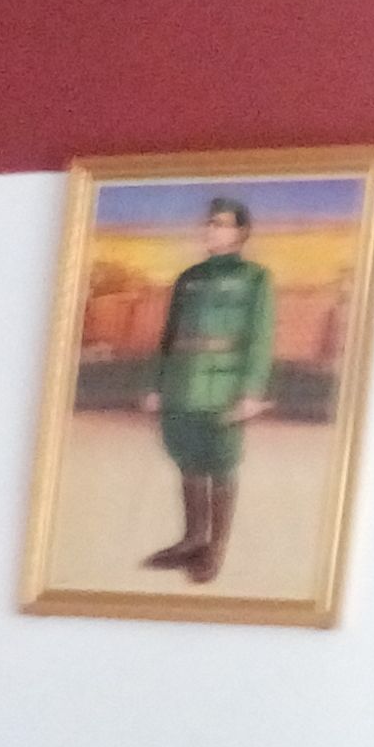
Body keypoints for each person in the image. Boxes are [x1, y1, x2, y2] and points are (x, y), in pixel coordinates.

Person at [138, 197, 277, 586]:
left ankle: (215, 548)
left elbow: (260, 337)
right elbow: (168, 337)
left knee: (221, 462)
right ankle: (192, 540)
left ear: (241, 232)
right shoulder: (189, 278)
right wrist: (157, 384)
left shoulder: (255, 278)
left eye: (221, 224)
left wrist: (251, 391)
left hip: (224, 385)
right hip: (182, 383)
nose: (211, 230)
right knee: (188, 458)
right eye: (209, 223)